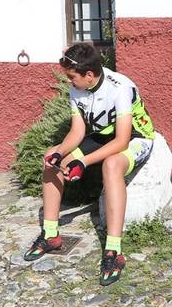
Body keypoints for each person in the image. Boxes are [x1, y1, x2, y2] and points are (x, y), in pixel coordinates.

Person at [22, 41, 157, 286]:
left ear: (90, 74)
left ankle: (114, 251)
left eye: (72, 77)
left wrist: (82, 161)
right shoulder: (77, 88)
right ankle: (51, 235)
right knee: (52, 156)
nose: (69, 82)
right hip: (102, 134)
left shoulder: (121, 88)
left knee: (112, 165)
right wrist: (60, 152)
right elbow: (77, 131)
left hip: (136, 138)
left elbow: (122, 140)